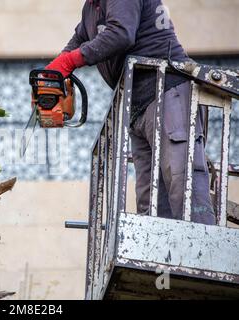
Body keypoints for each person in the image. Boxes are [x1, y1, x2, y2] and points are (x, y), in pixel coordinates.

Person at [46, 0, 215, 225]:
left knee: (182, 182)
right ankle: (160, 259)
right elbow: (78, 41)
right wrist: (52, 73)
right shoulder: (91, 8)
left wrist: (69, 61)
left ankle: (202, 253)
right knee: (152, 202)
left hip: (169, 89)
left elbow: (121, 33)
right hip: (138, 105)